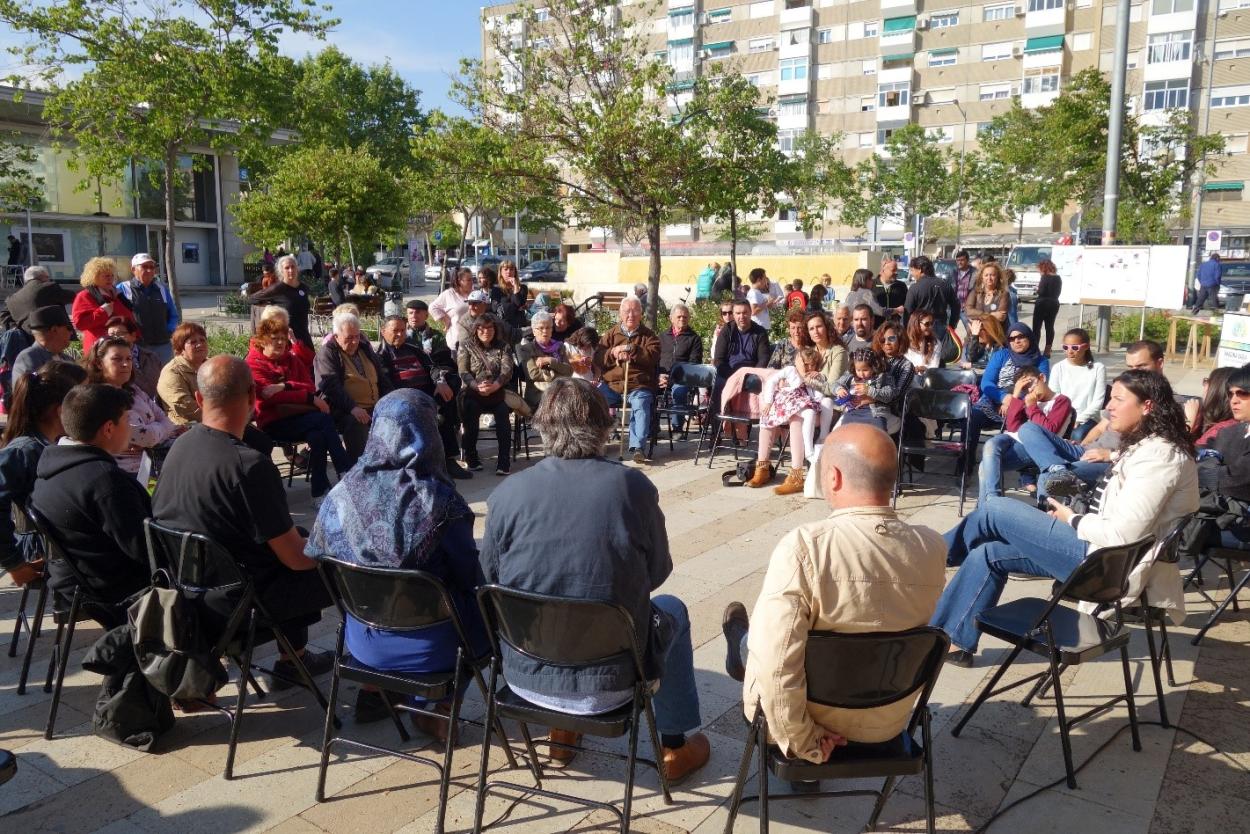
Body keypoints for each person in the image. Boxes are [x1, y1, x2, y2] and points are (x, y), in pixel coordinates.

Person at [479, 378, 710, 780]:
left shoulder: (506, 493)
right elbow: (657, 573)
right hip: (612, 680)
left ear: (543, 426)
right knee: (672, 608)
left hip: (524, 675)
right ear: (604, 427)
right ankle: (673, 747)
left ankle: (562, 731)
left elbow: (490, 579)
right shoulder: (631, 486)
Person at [934, 370, 1200, 667]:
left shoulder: (1161, 457)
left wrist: (1072, 519)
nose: (1108, 407)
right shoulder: (1152, 448)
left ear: (1147, 406)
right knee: (988, 553)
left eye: (1118, 399)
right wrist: (1109, 460)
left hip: (1107, 567)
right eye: (1110, 399)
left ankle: (929, 557)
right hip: (1099, 553)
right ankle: (951, 639)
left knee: (995, 509)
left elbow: (1123, 535)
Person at [721, 424, 946, 761]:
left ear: (834, 477)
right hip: (886, 725)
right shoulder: (932, 546)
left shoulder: (806, 548)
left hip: (817, 722)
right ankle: (741, 639)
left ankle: (740, 641)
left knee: (759, 643)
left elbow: (775, 663)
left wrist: (806, 742)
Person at [305, 389, 484, 731]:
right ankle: (439, 708)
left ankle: (375, 689)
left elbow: (317, 554)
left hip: (363, 641)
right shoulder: (440, 503)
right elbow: (469, 576)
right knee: (484, 606)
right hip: (433, 648)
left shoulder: (339, 494)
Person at [153, 356, 333, 686]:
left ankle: (294, 659)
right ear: (252, 395)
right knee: (337, 566)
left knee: (297, 536)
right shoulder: (248, 466)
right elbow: (296, 558)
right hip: (238, 604)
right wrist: (340, 546)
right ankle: (369, 673)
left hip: (185, 589)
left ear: (199, 398)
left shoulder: (179, 447)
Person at [30, 383, 151, 618]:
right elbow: (146, 550)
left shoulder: (50, 465)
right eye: (127, 420)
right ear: (109, 428)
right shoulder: (104, 480)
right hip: (108, 589)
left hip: (70, 581)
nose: (131, 427)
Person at [247, 314, 350, 504]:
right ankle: (344, 470)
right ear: (262, 340)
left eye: (283, 338)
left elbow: (310, 386)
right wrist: (307, 397)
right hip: (273, 421)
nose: (280, 342)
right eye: (274, 338)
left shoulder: (291, 359)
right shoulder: (253, 363)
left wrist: (284, 386)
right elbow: (268, 398)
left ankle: (319, 493)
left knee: (318, 438)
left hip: (301, 417)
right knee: (323, 420)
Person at [0, 362, 86, 588]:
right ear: (60, 411)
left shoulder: (51, 445)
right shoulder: (23, 451)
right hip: (46, 550)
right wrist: (14, 563)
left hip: (60, 546)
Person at [377, 316, 470, 480]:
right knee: (433, 413)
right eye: (395, 331)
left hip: (426, 396)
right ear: (383, 332)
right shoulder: (380, 356)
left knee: (448, 395)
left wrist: (440, 381)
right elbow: (386, 384)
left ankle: (448, 460)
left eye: (402, 330)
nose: (400, 334)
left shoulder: (414, 350)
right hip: (402, 401)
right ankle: (422, 464)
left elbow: (433, 367)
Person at [976, 366, 1074, 504]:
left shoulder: (1061, 401)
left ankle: (987, 506)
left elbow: (1049, 431)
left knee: (984, 466)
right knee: (991, 444)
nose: (1029, 391)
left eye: (1030, 385)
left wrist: (1032, 407)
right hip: (1013, 438)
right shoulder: (1026, 400)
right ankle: (992, 500)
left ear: (1042, 378)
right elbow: (1012, 426)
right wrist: (1016, 396)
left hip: (1035, 446)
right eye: (1024, 389)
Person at [85, 336, 180, 476]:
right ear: (99, 363)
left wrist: (157, 431)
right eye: (117, 359)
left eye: (128, 359)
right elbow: (148, 437)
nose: (125, 364)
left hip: (147, 463)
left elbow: (163, 418)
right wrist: (160, 429)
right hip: (123, 471)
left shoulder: (134, 390)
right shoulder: (100, 398)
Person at [315, 310, 392, 467]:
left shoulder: (365, 348)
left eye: (357, 336)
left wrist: (392, 401)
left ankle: (391, 468)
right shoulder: (327, 353)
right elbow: (330, 386)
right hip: (342, 409)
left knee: (399, 417)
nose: (355, 341)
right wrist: (353, 408)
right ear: (336, 336)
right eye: (349, 338)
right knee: (357, 423)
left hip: (374, 407)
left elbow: (382, 378)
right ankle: (359, 470)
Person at [749, 347, 828, 494]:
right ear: (799, 361)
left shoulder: (814, 374)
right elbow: (772, 381)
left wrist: (808, 377)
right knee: (767, 417)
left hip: (808, 408)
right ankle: (762, 468)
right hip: (785, 404)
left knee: (796, 419)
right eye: (805, 364)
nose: (808, 367)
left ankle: (796, 476)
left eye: (812, 365)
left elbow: (819, 393)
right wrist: (768, 401)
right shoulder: (791, 370)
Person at [966, 320, 1049, 461]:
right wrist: (1004, 398)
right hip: (995, 400)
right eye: (1012, 338)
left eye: (1021, 337)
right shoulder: (1001, 355)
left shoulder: (1041, 361)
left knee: (1032, 423)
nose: (1016, 341)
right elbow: (987, 383)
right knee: (972, 416)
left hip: (1025, 403)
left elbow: (1040, 388)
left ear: (1029, 337)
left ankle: (1022, 463)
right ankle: (966, 460)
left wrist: (1014, 401)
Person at [598, 296, 661, 464]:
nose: (631, 315)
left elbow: (652, 357)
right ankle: (596, 443)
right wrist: (613, 352)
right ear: (620, 314)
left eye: (635, 311)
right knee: (595, 400)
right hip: (612, 385)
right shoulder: (611, 334)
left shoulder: (649, 336)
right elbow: (598, 357)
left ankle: (638, 447)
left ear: (641, 314)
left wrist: (631, 349)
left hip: (638, 385)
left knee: (641, 404)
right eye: (627, 311)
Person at [457, 313, 515, 475]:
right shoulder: (466, 345)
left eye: (490, 328)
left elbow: (507, 371)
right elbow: (463, 371)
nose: (486, 331)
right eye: (481, 328)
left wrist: (494, 386)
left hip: (496, 390)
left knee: (502, 413)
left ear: (495, 329)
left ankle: (504, 460)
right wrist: (477, 387)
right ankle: (471, 456)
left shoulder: (504, 346)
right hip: (473, 391)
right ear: (475, 330)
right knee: (471, 410)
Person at [116, 253, 179, 364]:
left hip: (163, 345)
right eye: (144, 267)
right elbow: (116, 317)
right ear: (133, 269)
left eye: (152, 267)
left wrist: (169, 330)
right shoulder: (123, 288)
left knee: (164, 374)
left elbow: (173, 314)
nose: (149, 270)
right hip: (137, 346)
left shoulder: (162, 289)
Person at [1047, 328, 1106, 441]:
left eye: (1075, 347)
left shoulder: (1098, 368)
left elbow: (1098, 402)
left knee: (1077, 435)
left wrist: (1078, 419)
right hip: (1063, 415)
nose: (1069, 351)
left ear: (1086, 346)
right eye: (1065, 347)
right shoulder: (1058, 367)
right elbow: (1054, 398)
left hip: (1088, 417)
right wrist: (1064, 419)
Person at [71, 256, 138, 354]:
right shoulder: (85, 296)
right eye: (106, 276)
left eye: (112, 275)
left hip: (122, 348)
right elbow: (80, 324)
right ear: (94, 277)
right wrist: (103, 312)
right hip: (99, 350)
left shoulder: (117, 295)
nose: (110, 279)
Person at [249, 254, 313, 350]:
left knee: (310, 359)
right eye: (287, 268)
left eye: (293, 267)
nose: (290, 270)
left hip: (304, 336)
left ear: (297, 268)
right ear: (281, 271)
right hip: (286, 338)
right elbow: (252, 299)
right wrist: (270, 308)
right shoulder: (278, 289)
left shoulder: (303, 287)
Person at [156, 322, 210, 426]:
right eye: (193, 342)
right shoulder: (172, 372)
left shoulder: (212, 365)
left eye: (202, 340)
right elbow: (187, 409)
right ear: (181, 349)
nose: (199, 344)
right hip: (187, 427)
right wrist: (221, 416)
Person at [903, 255, 959, 353]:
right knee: (939, 355)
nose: (912, 274)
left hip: (920, 328)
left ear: (920, 269)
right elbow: (956, 306)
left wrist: (908, 331)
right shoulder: (945, 285)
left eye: (913, 270)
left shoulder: (915, 288)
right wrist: (952, 325)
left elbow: (907, 311)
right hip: (941, 328)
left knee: (921, 356)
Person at [517, 311, 573, 409]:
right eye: (541, 328)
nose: (545, 331)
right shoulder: (527, 349)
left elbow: (569, 371)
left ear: (552, 330)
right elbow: (533, 374)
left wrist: (551, 361)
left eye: (548, 327)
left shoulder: (560, 346)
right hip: (539, 394)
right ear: (534, 331)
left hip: (561, 391)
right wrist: (560, 373)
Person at [834, 349, 896, 433]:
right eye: (858, 370)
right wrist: (839, 389)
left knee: (877, 432)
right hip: (853, 411)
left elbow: (890, 394)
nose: (861, 374)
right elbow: (835, 384)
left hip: (875, 412)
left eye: (865, 370)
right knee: (845, 429)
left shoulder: (883, 377)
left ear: (874, 367)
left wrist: (869, 390)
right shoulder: (851, 375)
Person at [0, 265, 76, 334]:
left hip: (25, 339)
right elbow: (72, 296)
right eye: (47, 277)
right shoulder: (48, 287)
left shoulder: (12, 299)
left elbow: (3, 316)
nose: (49, 280)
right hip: (50, 336)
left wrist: (16, 329)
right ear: (42, 276)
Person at [105, 316, 162, 399]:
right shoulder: (107, 362)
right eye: (111, 335)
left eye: (120, 334)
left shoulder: (151, 357)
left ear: (133, 335)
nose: (115, 338)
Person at [12, 306, 73, 381]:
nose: (71, 332)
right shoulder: (28, 358)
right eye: (68, 328)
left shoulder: (67, 359)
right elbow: (30, 388)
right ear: (54, 330)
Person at [1032, 259, 1062, 355]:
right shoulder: (1058, 278)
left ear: (1043, 268)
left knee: (1037, 327)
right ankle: (1048, 349)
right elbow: (1058, 292)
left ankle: (1035, 348)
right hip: (1054, 303)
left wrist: (1037, 289)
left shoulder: (1044, 277)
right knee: (1049, 326)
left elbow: (1041, 292)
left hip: (1042, 303)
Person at [495, 260, 529, 336]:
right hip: (503, 327)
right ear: (501, 272)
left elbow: (519, 303)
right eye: (506, 269)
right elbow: (500, 310)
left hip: (519, 326)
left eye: (511, 269)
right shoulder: (496, 290)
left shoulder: (523, 288)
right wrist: (517, 307)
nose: (509, 272)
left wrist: (516, 286)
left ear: (515, 272)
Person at [904, 308, 941, 376]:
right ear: (916, 324)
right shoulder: (904, 342)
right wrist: (912, 369)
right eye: (927, 324)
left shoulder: (935, 343)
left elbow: (934, 368)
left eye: (932, 323)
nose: (930, 327)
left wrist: (925, 369)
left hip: (925, 378)